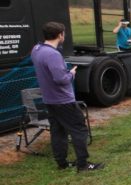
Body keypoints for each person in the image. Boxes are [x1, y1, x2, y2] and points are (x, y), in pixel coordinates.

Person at [30, 21, 103, 172]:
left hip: (49, 99)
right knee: (79, 130)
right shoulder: (52, 54)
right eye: (64, 33)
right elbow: (60, 79)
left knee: (58, 131)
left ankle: (61, 163)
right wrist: (71, 73)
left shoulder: (37, 49)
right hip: (62, 100)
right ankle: (83, 164)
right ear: (60, 35)